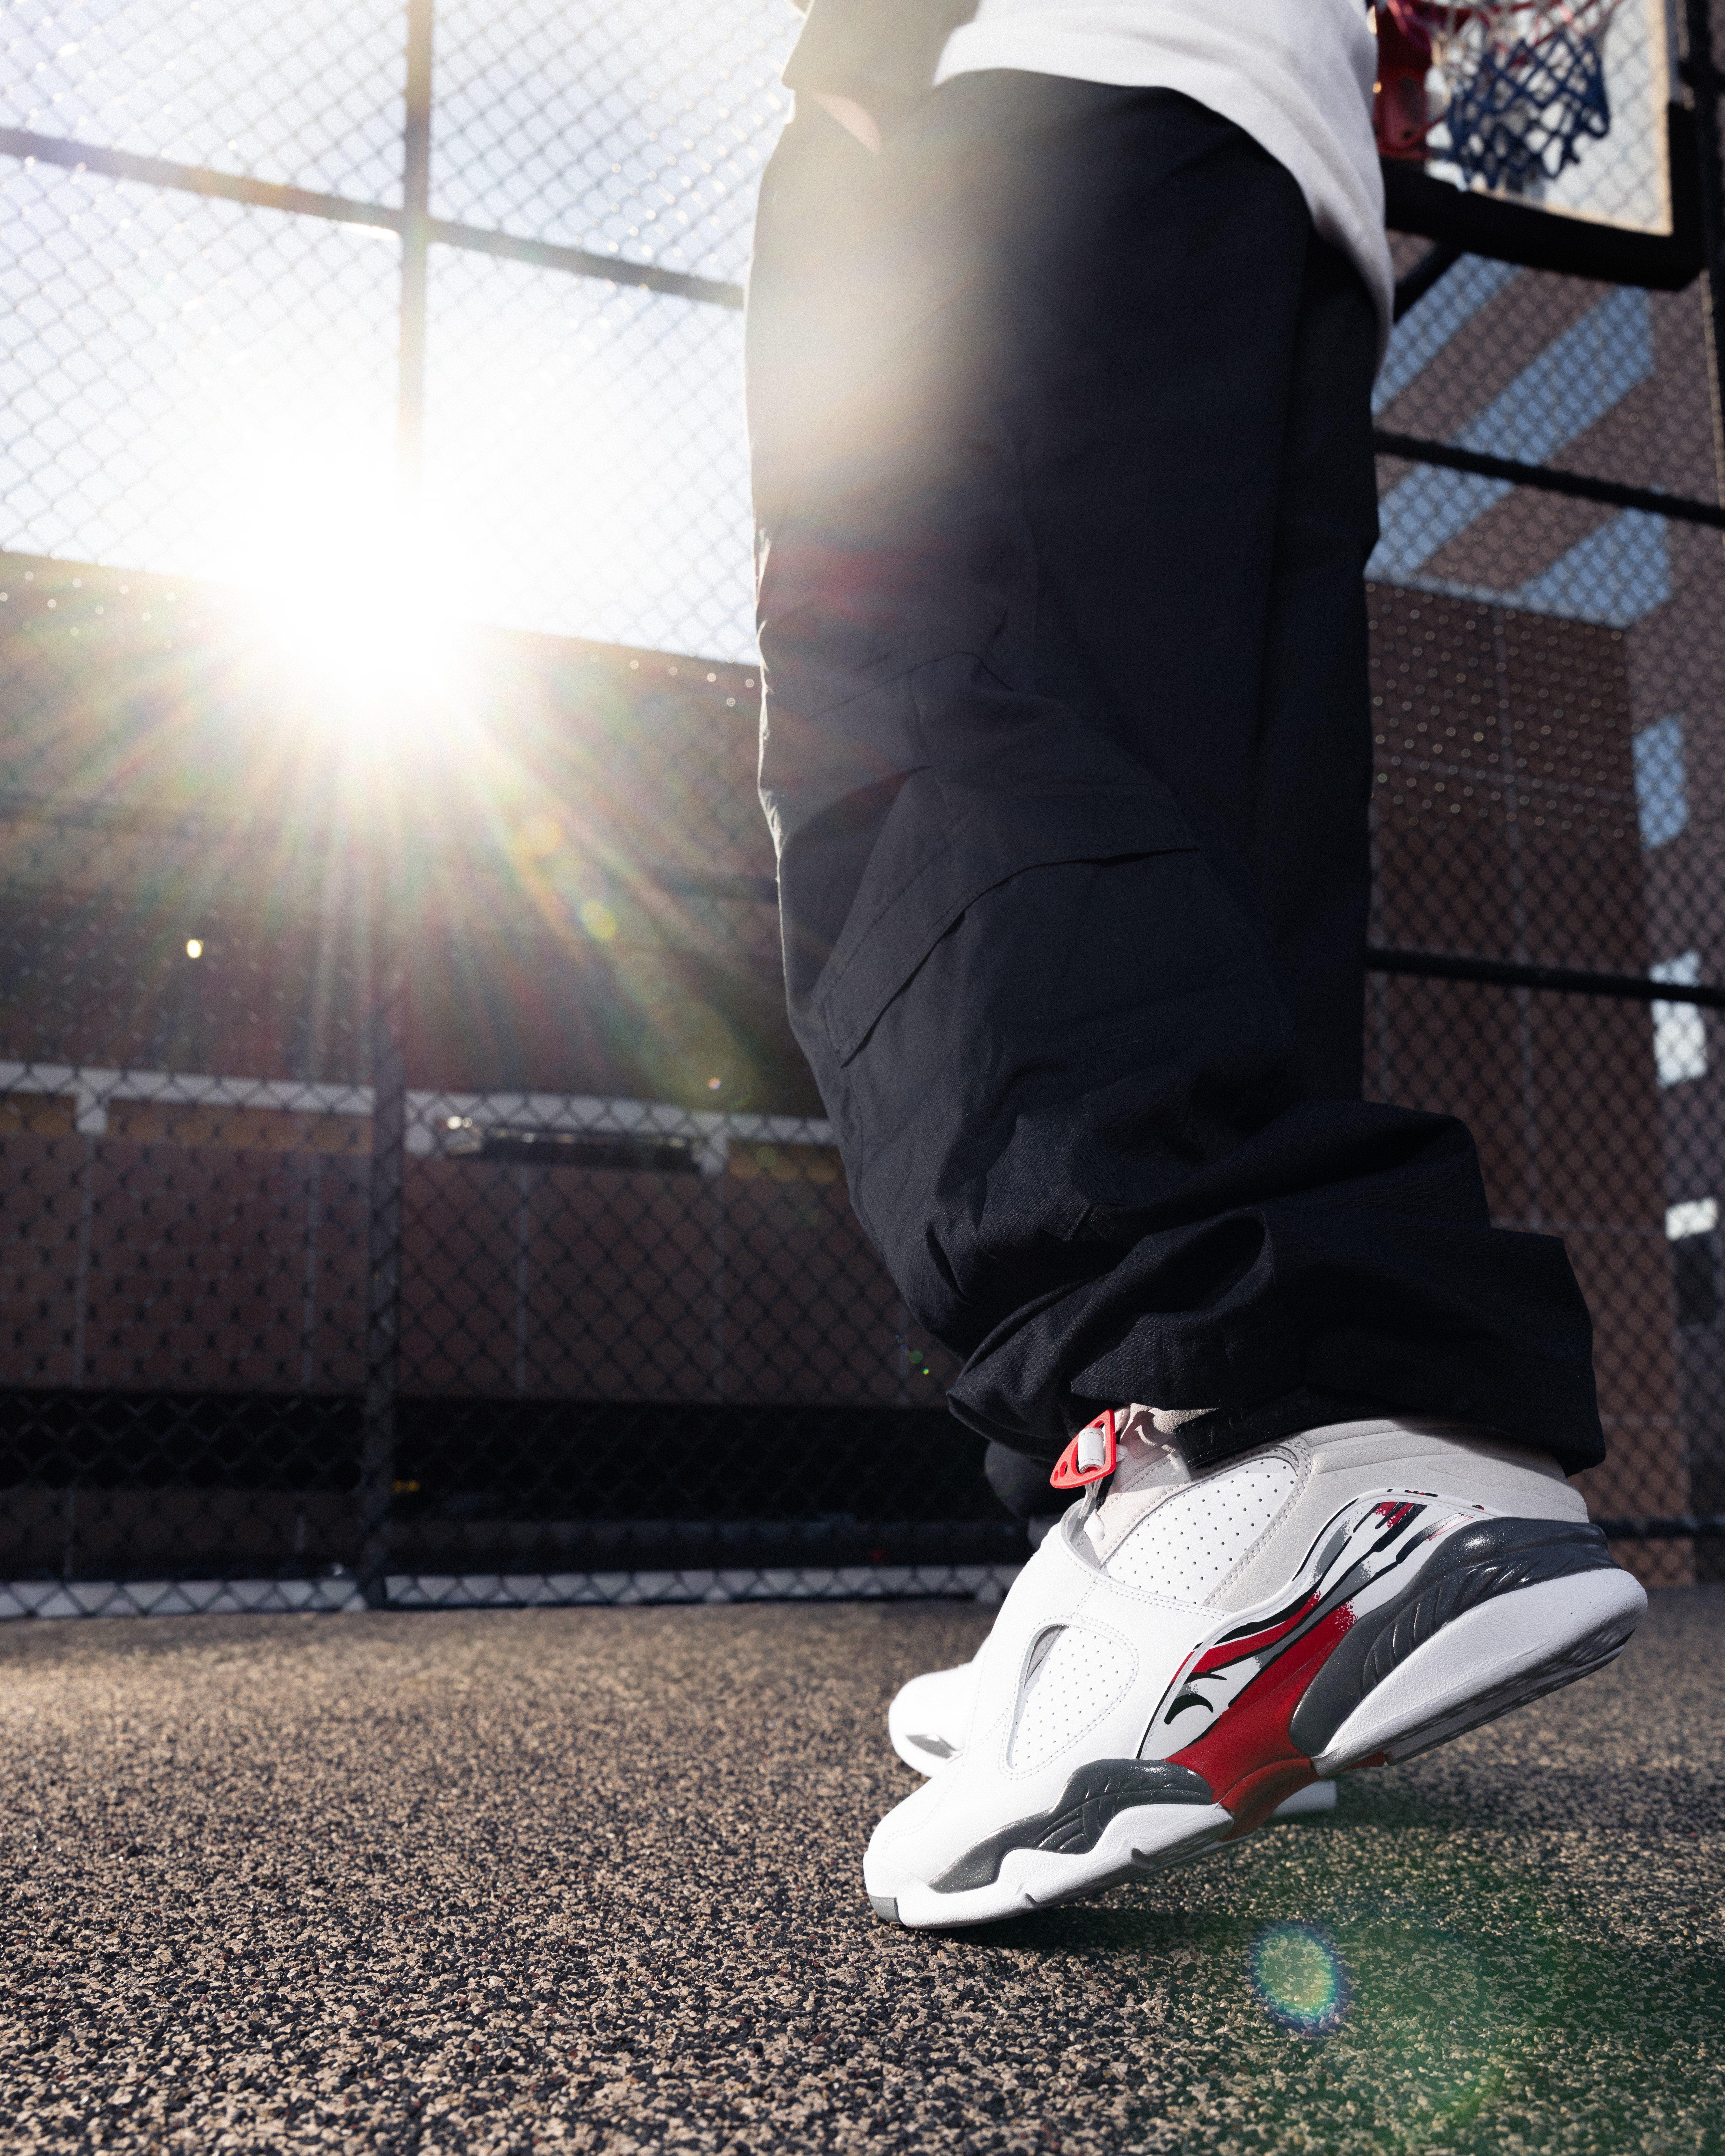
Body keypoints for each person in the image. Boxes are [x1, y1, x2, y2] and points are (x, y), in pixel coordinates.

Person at [745, 0, 1646, 1928]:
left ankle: (1256, 1469)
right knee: (1205, 838)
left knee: (923, 713)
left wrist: (854, 73)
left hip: (1032, 90)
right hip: (1275, 175)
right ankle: (1194, 1496)